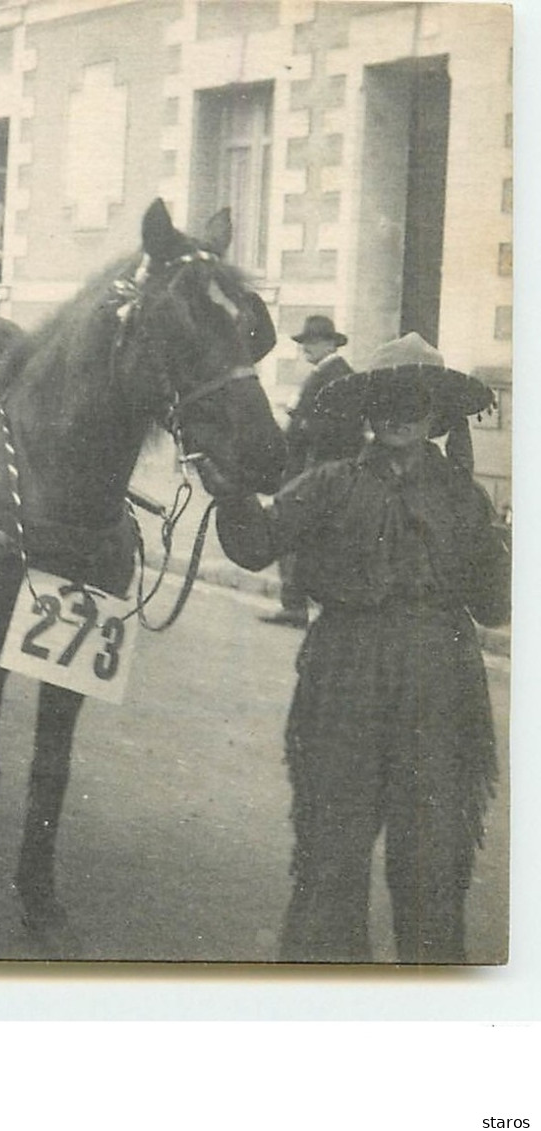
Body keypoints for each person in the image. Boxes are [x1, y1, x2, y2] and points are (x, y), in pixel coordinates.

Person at [202, 333, 509, 964]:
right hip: (345, 674)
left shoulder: (462, 497)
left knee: (432, 859)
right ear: (367, 412)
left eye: (416, 401)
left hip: (440, 681)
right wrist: (228, 489)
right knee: (332, 851)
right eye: (387, 399)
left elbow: (495, 606)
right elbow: (256, 544)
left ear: (437, 416)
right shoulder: (329, 484)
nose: (400, 413)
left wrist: (501, 546)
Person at [261, 314, 360, 628]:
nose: (306, 348)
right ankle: (297, 604)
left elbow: (342, 430)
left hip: (316, 471)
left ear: (331, 343)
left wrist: (300, 423)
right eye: (304, 342)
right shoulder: (325, 373)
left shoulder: (337, 376)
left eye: (313, 342)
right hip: (310, 469)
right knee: (300, 538)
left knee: (293, 534)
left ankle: (297, 606)